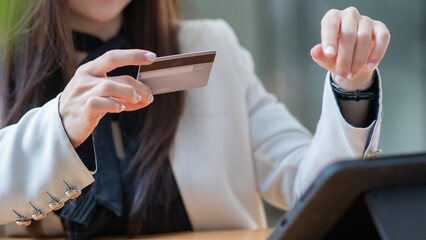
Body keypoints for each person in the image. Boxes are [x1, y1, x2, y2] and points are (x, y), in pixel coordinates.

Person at [0, 0, 389, 239]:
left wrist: (351, 81)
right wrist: (59, 129)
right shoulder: (6, 64)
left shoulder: (211, 44)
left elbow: (312, 183)